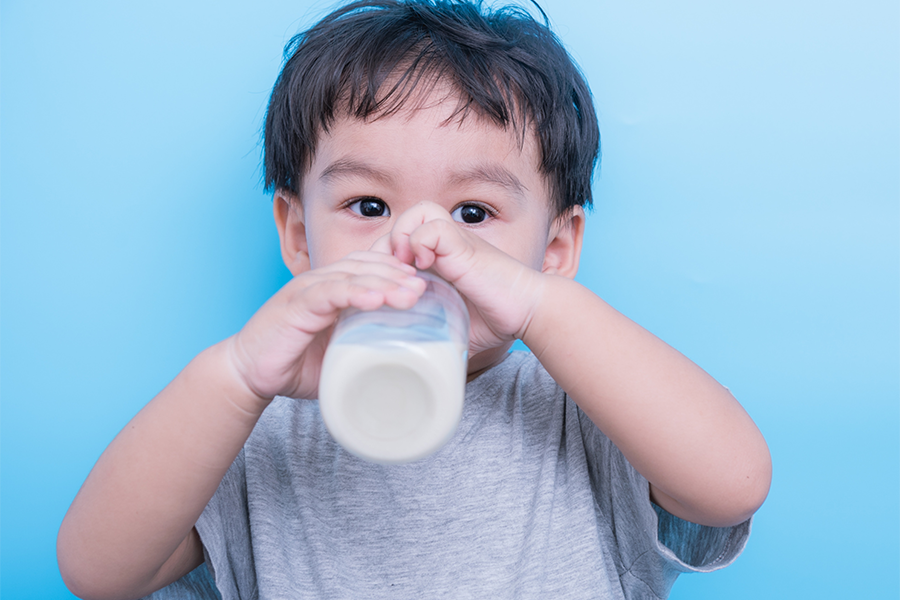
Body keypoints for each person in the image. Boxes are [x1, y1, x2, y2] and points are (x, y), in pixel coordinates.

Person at [57, 1, 772, 598]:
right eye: (368, 205)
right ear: (299, 236)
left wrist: (540, 308)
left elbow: (733, 484)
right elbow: (98, 573)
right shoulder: (247, 430)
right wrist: (237, 377)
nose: (420, 244)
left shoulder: (592, 410)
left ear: (553, 251)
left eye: (472, 214)